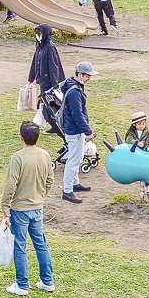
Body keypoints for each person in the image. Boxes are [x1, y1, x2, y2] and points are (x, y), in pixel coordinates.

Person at [1, 120, 55, 295]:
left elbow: (11, 184)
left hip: (20, 209)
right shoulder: (45, 155)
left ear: (21, 138)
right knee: (41, 244)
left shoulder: (17, 157)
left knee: (20, 245)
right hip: (37, 207)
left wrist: (5, 204)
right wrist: (41, 196)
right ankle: (47, 281)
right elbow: (50, 180)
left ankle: (22, 284)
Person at [58, 61, 97, 203]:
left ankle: (75, 183)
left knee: (77, 158)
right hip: (74, 131)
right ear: (80, 75)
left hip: (74, 130)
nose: (89, 79)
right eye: (87, 76)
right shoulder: (75, 92)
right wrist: (88, 131)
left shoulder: (72, 86)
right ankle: (67, 191)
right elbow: (77, 114)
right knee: (73, 161)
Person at [28, 23, 65, 104]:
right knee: (43, 102)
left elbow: (53, 67)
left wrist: (55, 85)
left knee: (44, 102)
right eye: (37, 33)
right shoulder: (39, 46)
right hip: (42, 80)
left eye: (40, 33)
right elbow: (34, 63)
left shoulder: (50, 48)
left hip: (48, 81)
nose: (38, 35)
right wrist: (30, 79)